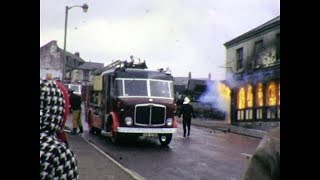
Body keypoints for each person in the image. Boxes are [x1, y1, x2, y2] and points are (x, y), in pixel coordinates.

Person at [40, 80, 79, 179]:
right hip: (77, 110)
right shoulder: (57, 152)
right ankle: (77, 129)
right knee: (75, 121)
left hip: (75, 110)